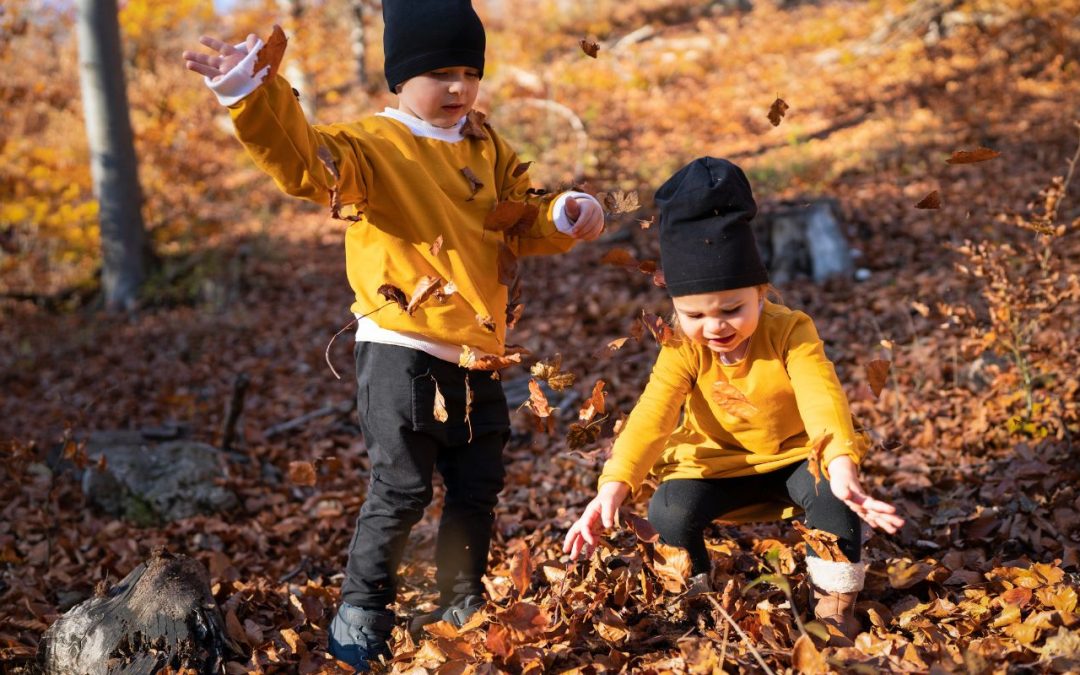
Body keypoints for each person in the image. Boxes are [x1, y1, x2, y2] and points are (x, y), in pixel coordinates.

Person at [184, 1, 604, 669]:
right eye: (440, 72)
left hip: (480, 353)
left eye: (470, 70)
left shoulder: (486, 146)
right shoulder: (372, 146)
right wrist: (251, 94)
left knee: (476, 485)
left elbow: (520, 214)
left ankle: (459, 596)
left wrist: (562, 211)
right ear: (400, 78)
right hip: (400, 349)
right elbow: (305, 163)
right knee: (402, 487)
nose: (459, 87)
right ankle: (364, 605)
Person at [563, 157, 903, 646]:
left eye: (732, 309)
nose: (714, 326)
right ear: (676, 308)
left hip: (792, 459)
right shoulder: (683, 345)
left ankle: (834, 608)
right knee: (668, 511)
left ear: (761, 293)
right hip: (716, 467)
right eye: (695, 313)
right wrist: (614, 484)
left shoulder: (790, 330)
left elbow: (820, 395)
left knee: (834, 494)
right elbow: (653, 415)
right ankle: (694, 598)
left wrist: (842, 462)